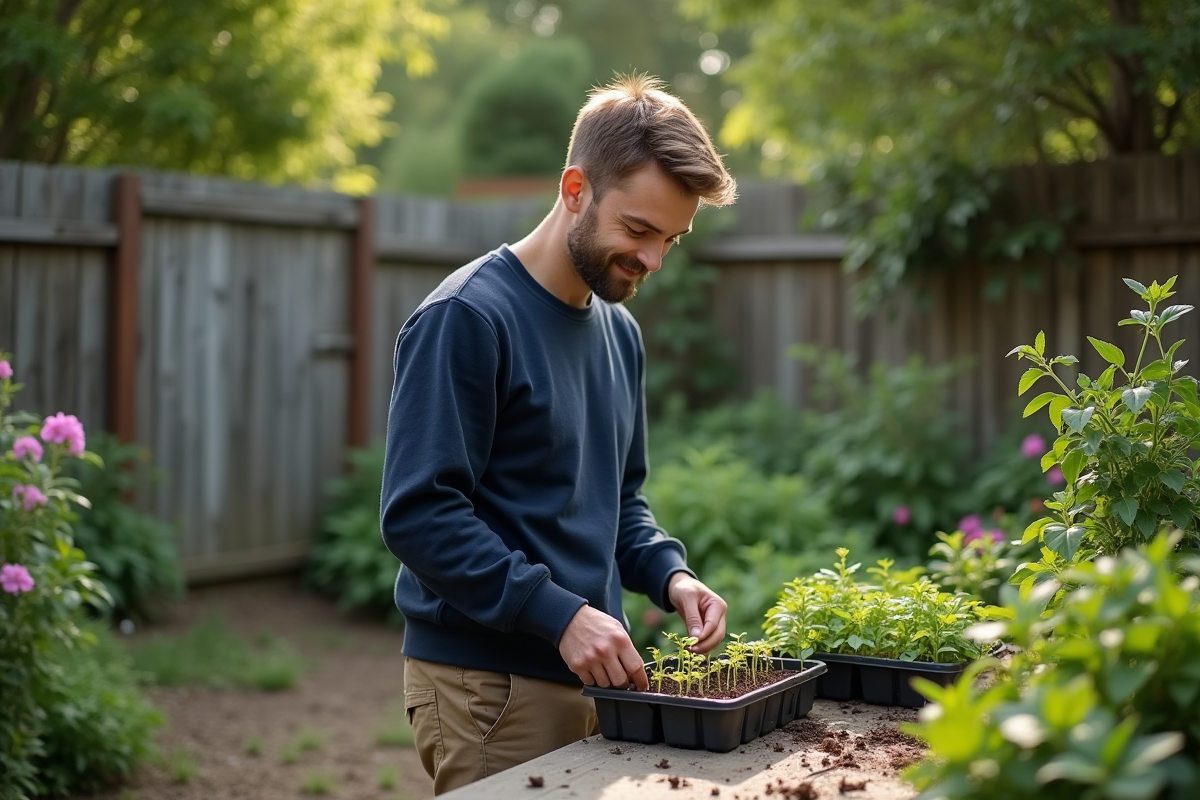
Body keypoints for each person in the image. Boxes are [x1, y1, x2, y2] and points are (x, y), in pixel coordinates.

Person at [380, 72, 737, 795]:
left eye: (671, 238)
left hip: (591, 678)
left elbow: (618, 502)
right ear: (576, 189)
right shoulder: (467, 318)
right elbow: (419, 514)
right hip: (488, 688)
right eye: (638, 230)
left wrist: (670, 574)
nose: (653, 260)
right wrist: (561, 613)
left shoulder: (619, 330)